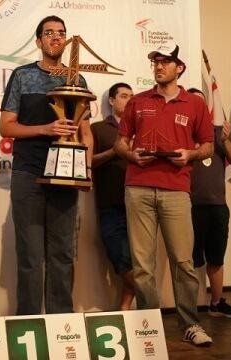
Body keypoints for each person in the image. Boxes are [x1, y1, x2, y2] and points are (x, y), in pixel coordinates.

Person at [114, 44, 214, 346]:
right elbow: (121, 142)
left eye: (165, 62)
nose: (158, 67)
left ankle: (190, 323)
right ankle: (149, 325)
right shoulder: (138, 101)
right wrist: (131, 155)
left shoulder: (195, 104)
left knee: (183, 262)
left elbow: (208, 146)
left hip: (177, 189)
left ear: (179, 68)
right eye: (155, 62)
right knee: (143, 265)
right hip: (138, 187)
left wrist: (189, 154)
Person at [0, 15, 93, 315]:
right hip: (29, 172)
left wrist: (86, 171)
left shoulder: (77, 79)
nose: (56, 37)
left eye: (61, 33)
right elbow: (7, 127)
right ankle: (29, 322)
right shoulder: (22, 76)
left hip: (66, 176)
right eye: (49, 33)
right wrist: (45, 129)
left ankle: (61, 326)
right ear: (39, 41)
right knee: (30, 255)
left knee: (63, 254)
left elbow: (86, 133)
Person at [188, 87, 231, 319]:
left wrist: (226, 140)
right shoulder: (182, 132)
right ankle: (186, 309)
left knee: (216, 257)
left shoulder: (217, 132)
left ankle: (216, 303)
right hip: (188, 206)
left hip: (218, 206)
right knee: (188, 260)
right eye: (194, 103)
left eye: (202, 103)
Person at [91, 82, 135, 310]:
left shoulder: (142, 128)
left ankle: (125, 308)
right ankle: (147, 294)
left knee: (138, 259)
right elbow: (88, 162)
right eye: (124, 96)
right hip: (110, 202)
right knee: (119, 255)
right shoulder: (98, 128)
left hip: (140, 202)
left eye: (132, 97)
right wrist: (113, 151)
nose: (128, 101)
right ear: (111, 100)